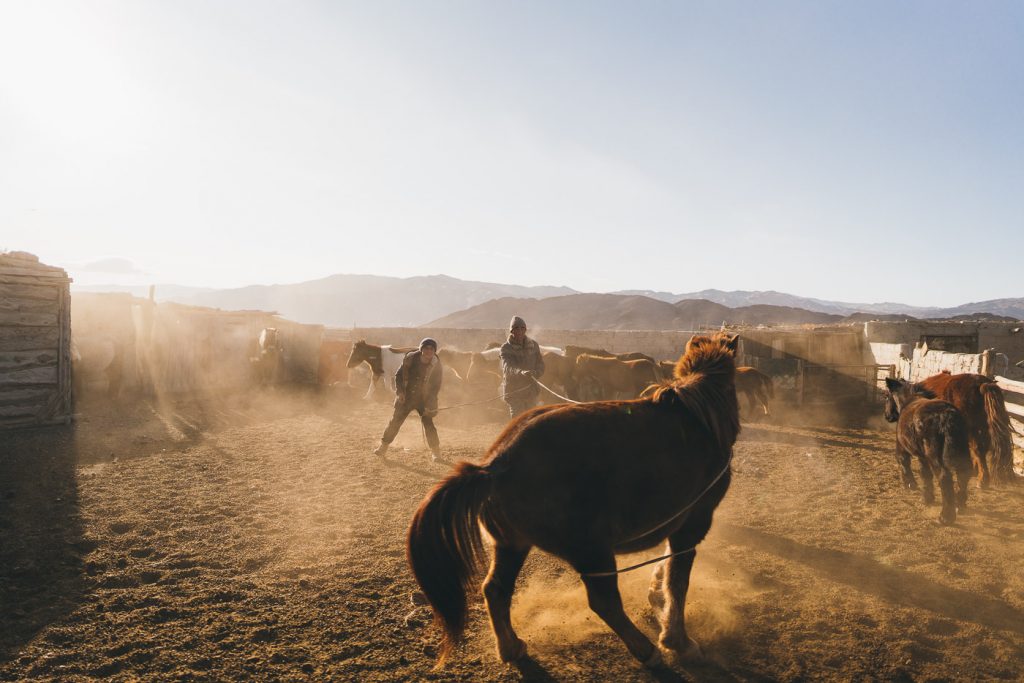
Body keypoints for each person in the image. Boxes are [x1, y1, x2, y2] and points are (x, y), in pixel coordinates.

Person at [373, 338, 444, 462]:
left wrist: (431, 404)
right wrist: (400, 392)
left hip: (424, 399)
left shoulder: (436, 364)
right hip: (406, 396)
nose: (429, 351)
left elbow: (435, 386)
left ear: (434, 351)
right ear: (421, 349)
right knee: (395, 422)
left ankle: (436, 453)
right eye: (426, 348)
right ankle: (383, 447)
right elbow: (398, 376)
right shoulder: (410, 359)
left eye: (431, 349)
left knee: (429, 424)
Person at [500, 316, 545, 418]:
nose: (519, 331)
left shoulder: (534, 345)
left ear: (525, 330)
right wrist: (520, 373)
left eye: (522, 328)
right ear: (512, 331)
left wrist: (536, 373)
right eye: (516, 328)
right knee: (518, 421)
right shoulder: (505, 348)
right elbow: (507, 368)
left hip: (531, 391)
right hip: (514, 392)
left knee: (532, 420)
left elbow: (541, 364)